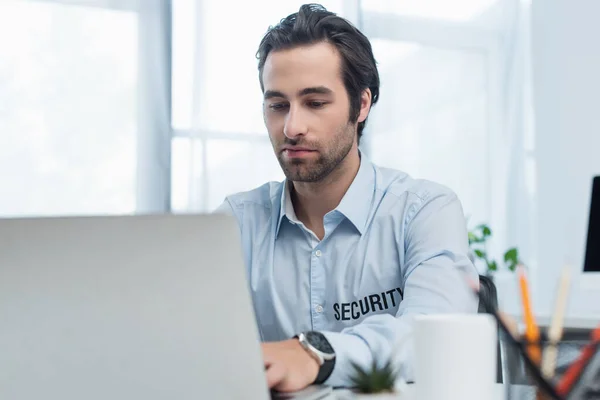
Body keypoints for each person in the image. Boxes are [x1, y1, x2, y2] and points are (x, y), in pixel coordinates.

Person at [215, 3, 478, 393]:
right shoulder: (236, 222)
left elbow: (432, 340)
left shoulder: (425, 210)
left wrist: (314, 354)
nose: (292, 127)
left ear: (363, 104)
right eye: (277, 105)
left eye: (315, 103)